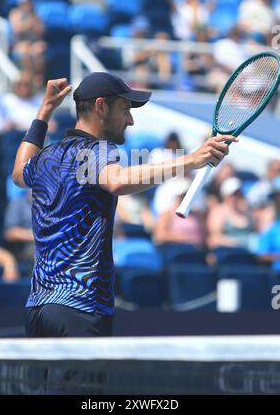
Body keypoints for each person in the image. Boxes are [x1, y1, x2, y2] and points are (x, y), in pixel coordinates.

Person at [12, 72, 236, 338]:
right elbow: (117, 181)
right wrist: (190, 160)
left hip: (38, 311)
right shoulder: (96, 150)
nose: (130, 120)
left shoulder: (47, 156)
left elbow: (18, 173)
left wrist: (46, 108)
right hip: (80, 311)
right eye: (125, 109)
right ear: (100, 107)